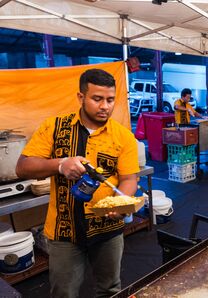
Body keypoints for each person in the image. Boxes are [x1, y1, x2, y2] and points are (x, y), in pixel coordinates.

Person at [15, 69, 139, 298]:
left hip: (108, 229)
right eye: (97, 99)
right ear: (81, 97)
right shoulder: (55, 127)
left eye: (110, 100)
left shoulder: (123, 136)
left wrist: (122, 201)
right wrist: (60, 165)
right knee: (64, 292)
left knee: (110, 289)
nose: (105, 106)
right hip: (64, 231)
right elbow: (23, 167)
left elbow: (129, 178)